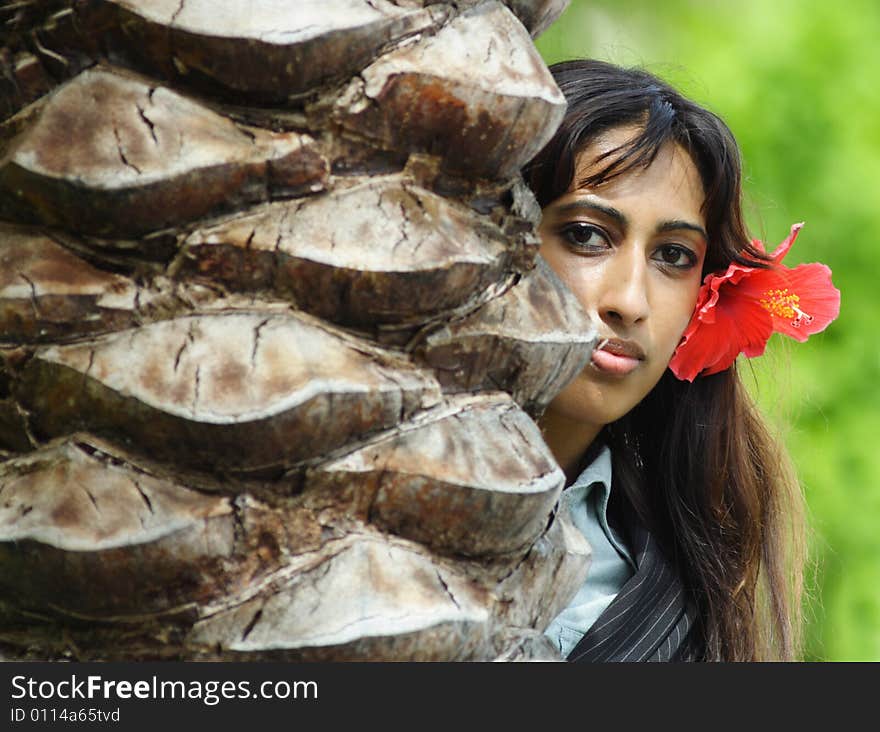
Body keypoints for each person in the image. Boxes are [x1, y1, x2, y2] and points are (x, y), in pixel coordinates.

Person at [523, 59, 840, 662]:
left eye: (673, 255)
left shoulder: (693, 579)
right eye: (587, 235)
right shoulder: (339, 497)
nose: (630, 301)